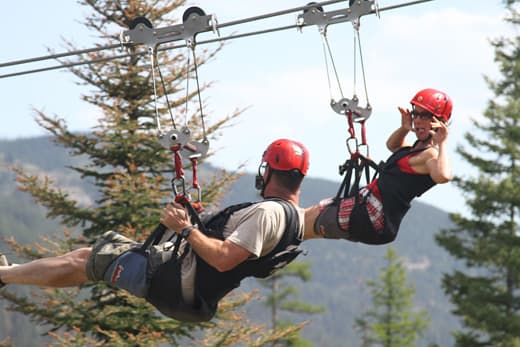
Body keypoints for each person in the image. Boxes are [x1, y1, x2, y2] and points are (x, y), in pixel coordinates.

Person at [0, 138, 310, 322]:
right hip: (187, 287)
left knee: (84, 262)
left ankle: (3, 275)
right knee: (88, 257)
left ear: (269, 171)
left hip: (176, 282)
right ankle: (9, 272)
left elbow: (224, 259)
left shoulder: (268, 213)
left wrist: (186, 229)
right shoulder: (293, 220)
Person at [303, 88, 453, 245]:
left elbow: (443, 176)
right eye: (416, 114)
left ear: (439, 122)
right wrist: (404, 129)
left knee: (306, 222)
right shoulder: (415, 150)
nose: (418, 120)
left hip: (373, 214)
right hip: (368, 208)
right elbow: (392, 145)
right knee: (309, 215)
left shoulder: (431, 155)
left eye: (425, 116)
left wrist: (442, 143)